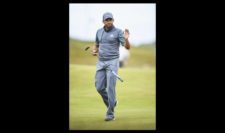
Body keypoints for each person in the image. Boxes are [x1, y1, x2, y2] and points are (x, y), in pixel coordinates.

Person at [91, 12, 130, 121]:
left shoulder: (118, 32)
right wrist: (95, 50)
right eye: (107, 20)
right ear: (103, 21)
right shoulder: (99, 32)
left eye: (110, 20)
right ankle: (112, 102)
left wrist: (126, 39)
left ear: (113, 20)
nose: (109, 21)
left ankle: (110, 114)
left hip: (112, 62)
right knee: (99, 87)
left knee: (111, 88)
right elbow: (96, 44)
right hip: (101, 62)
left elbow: (127, 47)